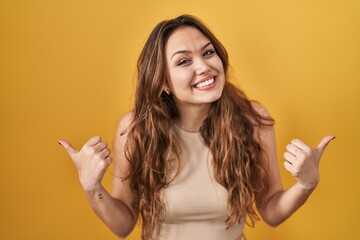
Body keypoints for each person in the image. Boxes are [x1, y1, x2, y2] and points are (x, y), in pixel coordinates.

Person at [58, 14, 334, 240]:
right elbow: (123, 226)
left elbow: (272, 212)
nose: (204, 66)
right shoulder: (135, 129)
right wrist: (91, 186)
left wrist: (306, 184)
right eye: (184, 61)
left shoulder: (252, 119)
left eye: (208, 52)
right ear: (163, 82)